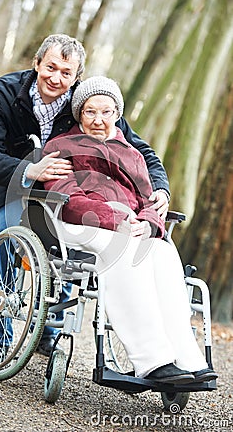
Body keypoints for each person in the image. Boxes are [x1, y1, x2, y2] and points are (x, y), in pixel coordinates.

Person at [0, 34, 170, 361]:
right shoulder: (3, 93)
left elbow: (138, 148)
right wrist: (30, 168)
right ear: (36, 64)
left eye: (66, 72)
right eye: (50, 67)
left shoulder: (88, 102)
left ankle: (50, 329)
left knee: (71, 247)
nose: (56, 78)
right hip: (16, 187)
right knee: (2, 238)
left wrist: (160, 187)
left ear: (76, 77)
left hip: (69, 195)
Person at [42, 76, 217, 384]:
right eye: (90, 112)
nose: (98, 120)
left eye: (106, 112)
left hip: (130, 226)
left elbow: (147, 198)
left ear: (117, 113)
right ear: (79, 114)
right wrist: (116, 219)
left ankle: (187, 359)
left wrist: (150, 223)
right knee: (123, 249)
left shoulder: (132, 153)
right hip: (78, 225)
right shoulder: (61, 147)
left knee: (162, 251)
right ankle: (152, 361)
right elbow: (68, 199)